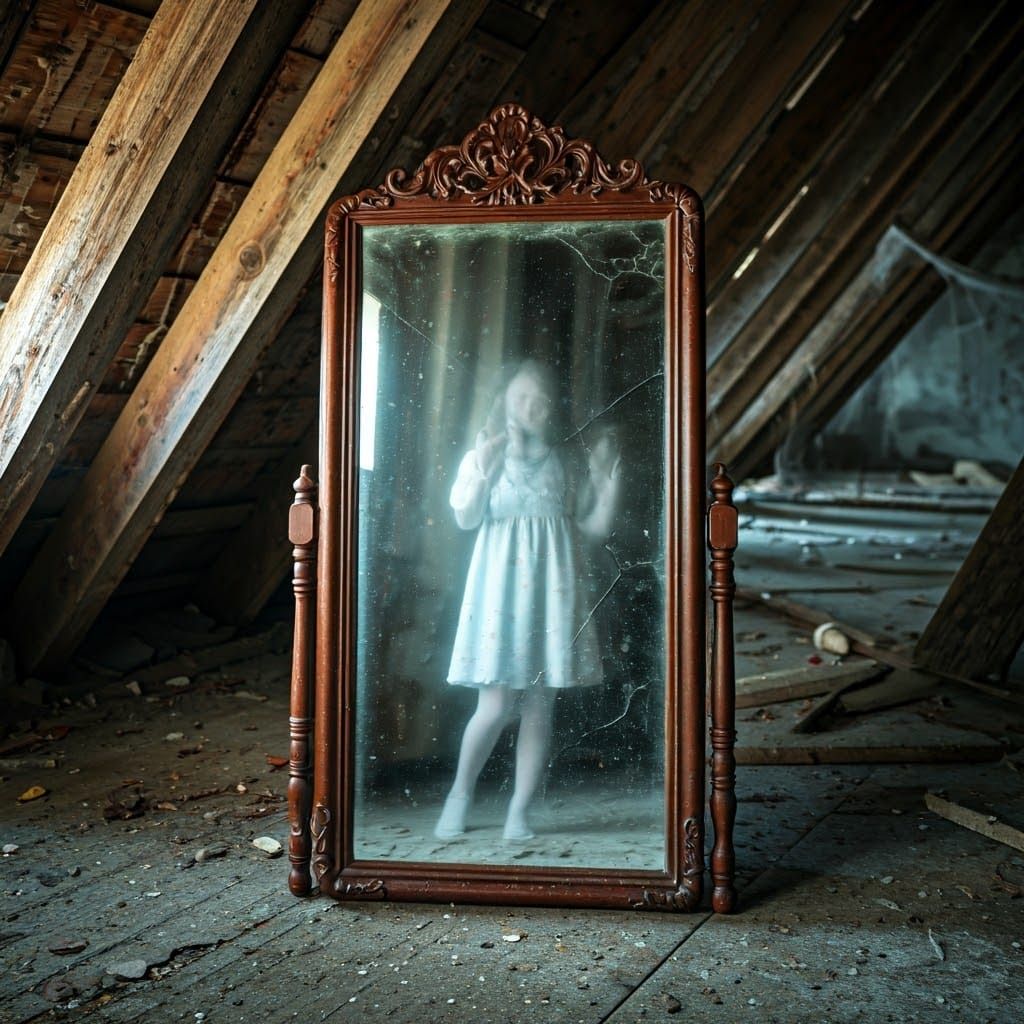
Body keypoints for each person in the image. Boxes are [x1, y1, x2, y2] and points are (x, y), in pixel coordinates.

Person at [434, 359, 621, 841]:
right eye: (521, 398)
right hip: (500, 596)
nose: (531, 407)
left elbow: (589, 533)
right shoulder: (484, 454)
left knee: (539, 706)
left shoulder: (565, 461)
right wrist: (484, 469)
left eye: (540, 399)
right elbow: (465, 517)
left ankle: (519, 810)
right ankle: (459, 795)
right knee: (495, 703)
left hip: (551, 598)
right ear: (503, 401)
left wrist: (606, 488)